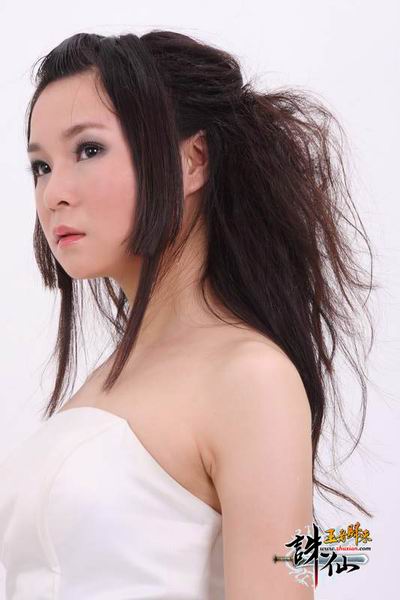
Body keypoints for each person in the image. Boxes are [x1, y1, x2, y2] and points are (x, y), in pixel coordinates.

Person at [0, 30, 375, 599]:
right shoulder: (104, 382)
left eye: (89, 150)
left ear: (191, 160)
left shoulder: (250, 378)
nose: (54, 193)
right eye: (40, 166)